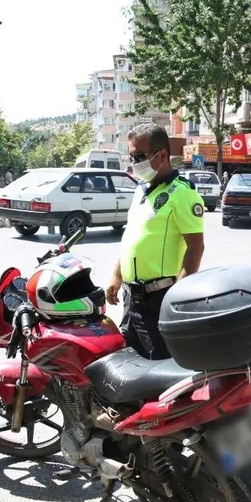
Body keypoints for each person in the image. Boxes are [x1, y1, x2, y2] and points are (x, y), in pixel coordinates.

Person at [105, 123, 205, 360]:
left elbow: (195, 247)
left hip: (159, 299)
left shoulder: (182, 192)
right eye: (131, 157)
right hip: (132, 299)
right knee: (128, 362)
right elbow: (131, 238)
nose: (133, 163)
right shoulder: (141, 191)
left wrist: (177, 295)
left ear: (161, 155)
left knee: (159, 367)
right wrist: (116, 277)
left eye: (139, 156)